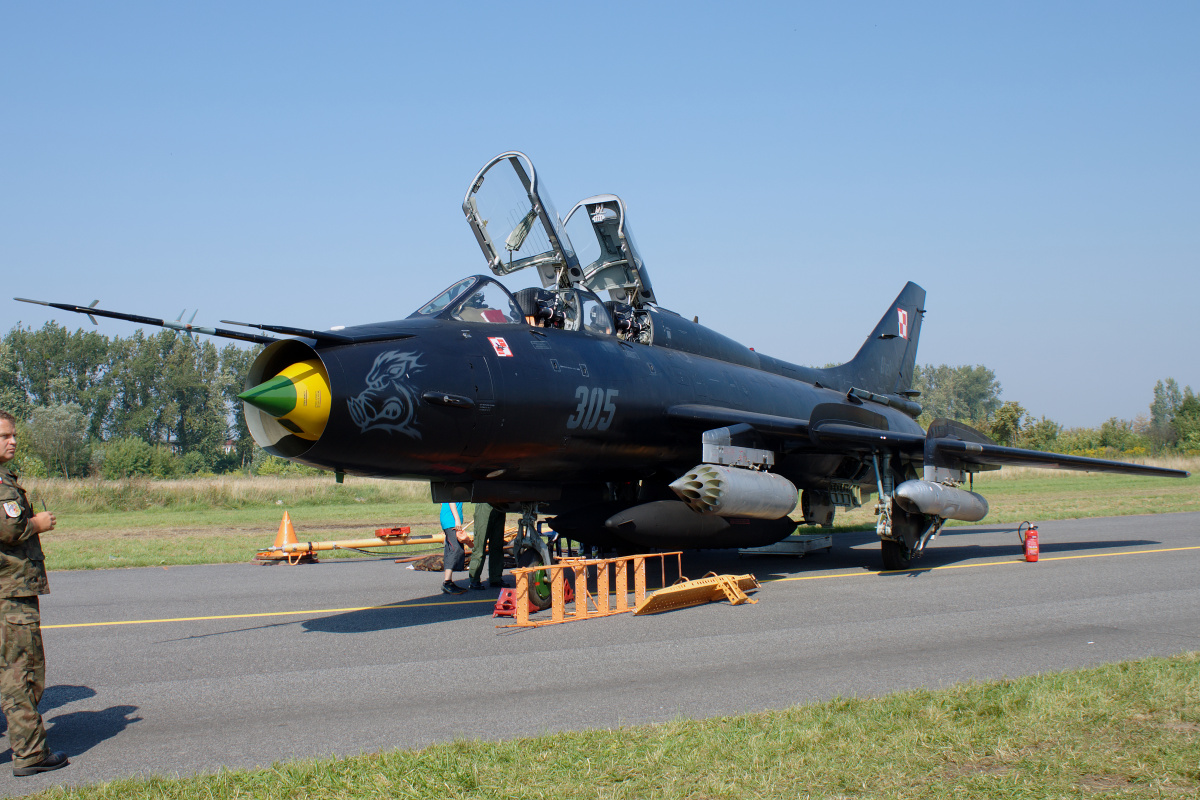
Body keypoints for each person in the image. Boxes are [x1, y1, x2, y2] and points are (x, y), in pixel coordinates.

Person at [0, 410, 69, 776]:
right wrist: (36, 524)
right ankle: (30, 754)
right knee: (21, 672)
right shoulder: (1, 485)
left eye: (13, 436)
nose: (11, 441)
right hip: (9, 594)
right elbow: (8, 530)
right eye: (3, 436)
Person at [468, 504, 509, 590]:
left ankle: (496, 578)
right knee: (480, 544)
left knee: (497, 545)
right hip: (484, 505)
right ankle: (474, 579)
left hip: (500, 505)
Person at [439, 502, 468, 594]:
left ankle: (449, 581)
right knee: (455, 549)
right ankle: (447, 582)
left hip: (449, 519)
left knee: (451, 548)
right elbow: (451, 501)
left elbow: (442, 502)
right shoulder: (453, 488)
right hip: (450, 521)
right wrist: (457, 519)